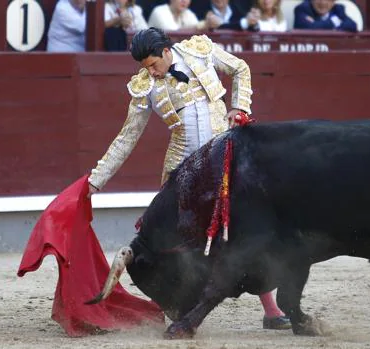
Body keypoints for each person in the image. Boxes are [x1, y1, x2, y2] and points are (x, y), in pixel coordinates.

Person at [86, 27, 290, 330]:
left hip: (225, 160)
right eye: (145, 68)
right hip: (183, 172)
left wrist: (239, 106)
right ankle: (170, 303)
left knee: (246, 230)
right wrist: (96, 179)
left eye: (154, 65)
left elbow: (240, 68)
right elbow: (127, 137)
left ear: (167, 52)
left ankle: (271, 310)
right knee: (172, 242)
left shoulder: (200, 51)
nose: (152, 73)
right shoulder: (145, 86)